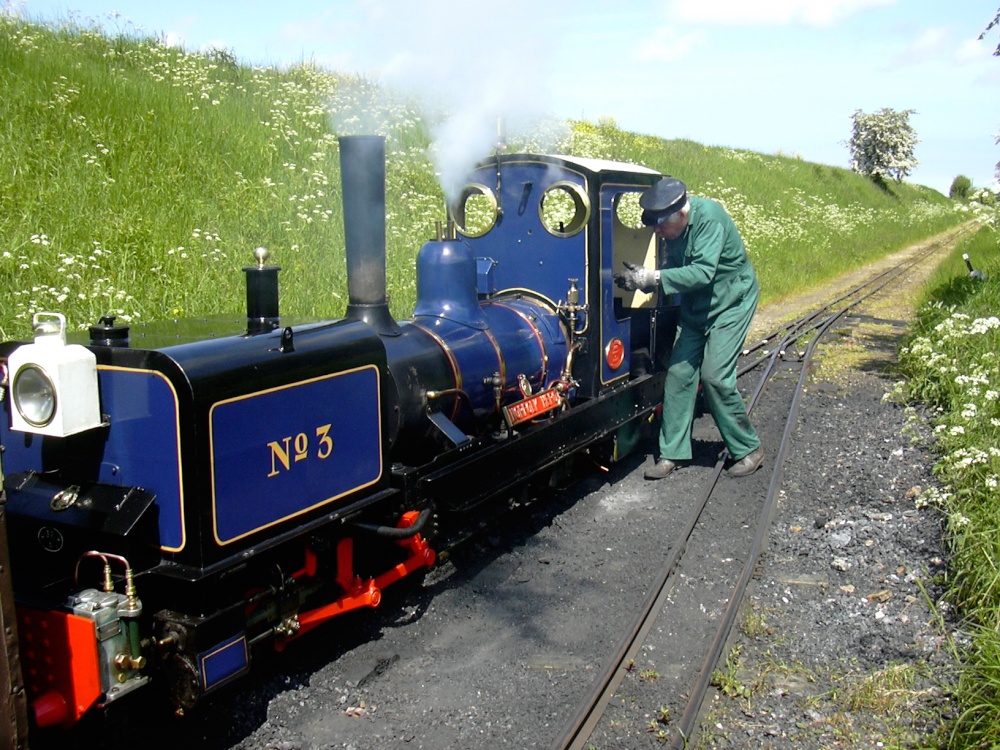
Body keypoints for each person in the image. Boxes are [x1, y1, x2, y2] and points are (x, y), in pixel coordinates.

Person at [615, 177, 764, 479]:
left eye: (661, 226)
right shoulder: (673, 229)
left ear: (681, 215)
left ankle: (748, 448)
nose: (658, 232)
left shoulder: (710, 219)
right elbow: (678, 268)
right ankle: (672, 452)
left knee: (715, 377)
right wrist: (645, 278)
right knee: (679, 375)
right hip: (697, 307)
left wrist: (654, 278)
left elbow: (703, 272)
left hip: (731, 303)